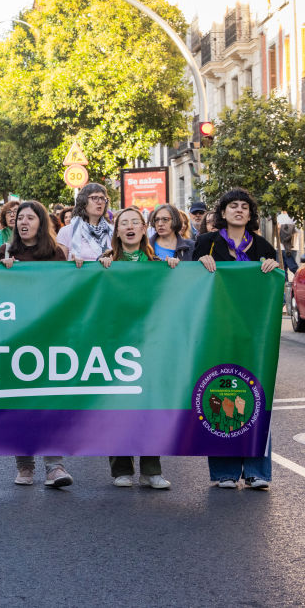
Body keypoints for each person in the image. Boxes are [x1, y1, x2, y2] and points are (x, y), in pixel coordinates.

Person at [192, 188, 280, 490]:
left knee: (256, 397)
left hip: (253, 333)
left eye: (244, 207)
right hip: (216, 329)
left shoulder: (263, 246)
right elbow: (191, 283)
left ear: (250, 214)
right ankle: (224, 472)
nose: (239, 210)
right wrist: (199, 265)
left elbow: (272, 290)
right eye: (233, 206)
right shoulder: (207, 242)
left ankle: (257, 470)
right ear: (224, 212)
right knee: (218, 393)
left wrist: (271, 269)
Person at [96, 207, 179, 489]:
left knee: (150, 404)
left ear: (145, 229)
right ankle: (121, 467)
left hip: (150, 343)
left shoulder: (159, 262)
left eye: (135, 222)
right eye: (124, 223)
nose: (130, 227)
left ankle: (151, 469)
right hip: (115, 344)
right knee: (117, 405)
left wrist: (175, 273)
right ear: (116, 231)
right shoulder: (105, 262)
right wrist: (97, 271)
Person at [0, 201, 76, 488]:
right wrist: (1, 271)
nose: (23, 222)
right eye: (19, 218)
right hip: (15, 340)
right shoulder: (5, 252)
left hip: (49, 338)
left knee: (48, 401)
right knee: (20, 403)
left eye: (30, 217)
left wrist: (79, 269)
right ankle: (25, 465)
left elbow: (70, 292)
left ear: (42, 223)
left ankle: (54, 466)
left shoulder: (57, 255)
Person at [57, 183, 113, 264]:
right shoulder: (67, 231)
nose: (100, 202)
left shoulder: (113, 231)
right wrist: (71, 264)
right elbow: (60, 266)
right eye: (95, 198)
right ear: (83, 201)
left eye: (102, 198)